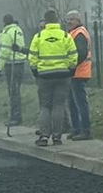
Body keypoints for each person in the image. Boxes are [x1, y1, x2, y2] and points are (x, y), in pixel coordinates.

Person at [28, 9, 77, 147]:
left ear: (46, 21)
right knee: (59, 106)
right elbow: (73, 55)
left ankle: (44, 136)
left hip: (44, 76)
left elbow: (32, 57)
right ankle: (57, 137)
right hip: (62, 75)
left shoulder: (38, 37)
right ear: (57, 21)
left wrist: (35, 71)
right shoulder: (65, 36)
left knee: (45, 107)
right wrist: (71, 69)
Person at [65, 10, 93, 141]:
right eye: (68, 19)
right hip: (74, 72)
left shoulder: (80, 33)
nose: (69, 22)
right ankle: (76, 129)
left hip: (79, 72)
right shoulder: (74, 32)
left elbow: (81, 53)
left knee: (80, 103)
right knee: (72, 102)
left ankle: (85, 130)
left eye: (72, 19)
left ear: (78, 20)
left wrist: (71, 66)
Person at [0, 14, 26, 126]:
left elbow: (4, 52)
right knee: (16, 90)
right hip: (20, 63)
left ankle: (15, 117)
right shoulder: (17, 30)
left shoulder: (7, 33)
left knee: (13, 92)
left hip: (11, 64)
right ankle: (17, 116)